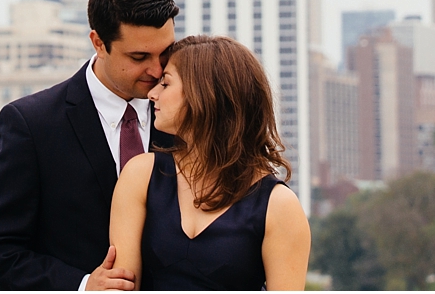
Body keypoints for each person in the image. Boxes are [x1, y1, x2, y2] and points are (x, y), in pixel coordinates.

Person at [0, 0, 180, 291]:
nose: (157, 69)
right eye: (139, 57)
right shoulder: (31, 124)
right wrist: (80, 286)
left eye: (165, 52)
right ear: (98, 43)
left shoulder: (188, 116)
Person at [108, 35, 311, 290]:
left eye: (165, 84)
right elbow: (122, 286)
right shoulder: (140, 175)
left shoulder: (279, 206)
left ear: (203, 95)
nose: (152, 94)